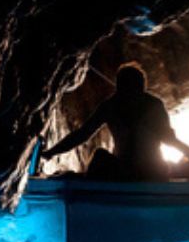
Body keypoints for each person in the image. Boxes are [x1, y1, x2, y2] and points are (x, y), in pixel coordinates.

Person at [40, 64, 175, 181]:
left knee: (100, 156)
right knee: (100, 156)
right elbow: (82, 134)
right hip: (132, 170)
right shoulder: (112, 106)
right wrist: (52, 152)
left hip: (149, 170)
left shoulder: (152, 106)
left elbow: (169, 138)